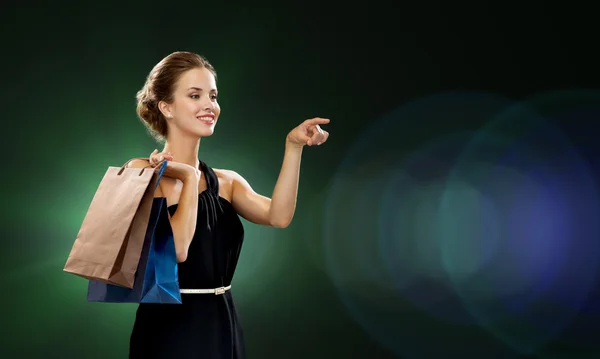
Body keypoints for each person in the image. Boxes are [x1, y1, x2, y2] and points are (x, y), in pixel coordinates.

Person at [126, 51, 330, 358]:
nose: (209, 105)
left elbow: (279, 216)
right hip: (168, 326)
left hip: (222, 321)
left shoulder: (227, 181)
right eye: (195, 95)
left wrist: (294, 147)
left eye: (213, 95)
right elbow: (177, 249)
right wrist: (189, 180)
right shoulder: (140, 171)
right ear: (166, 106)